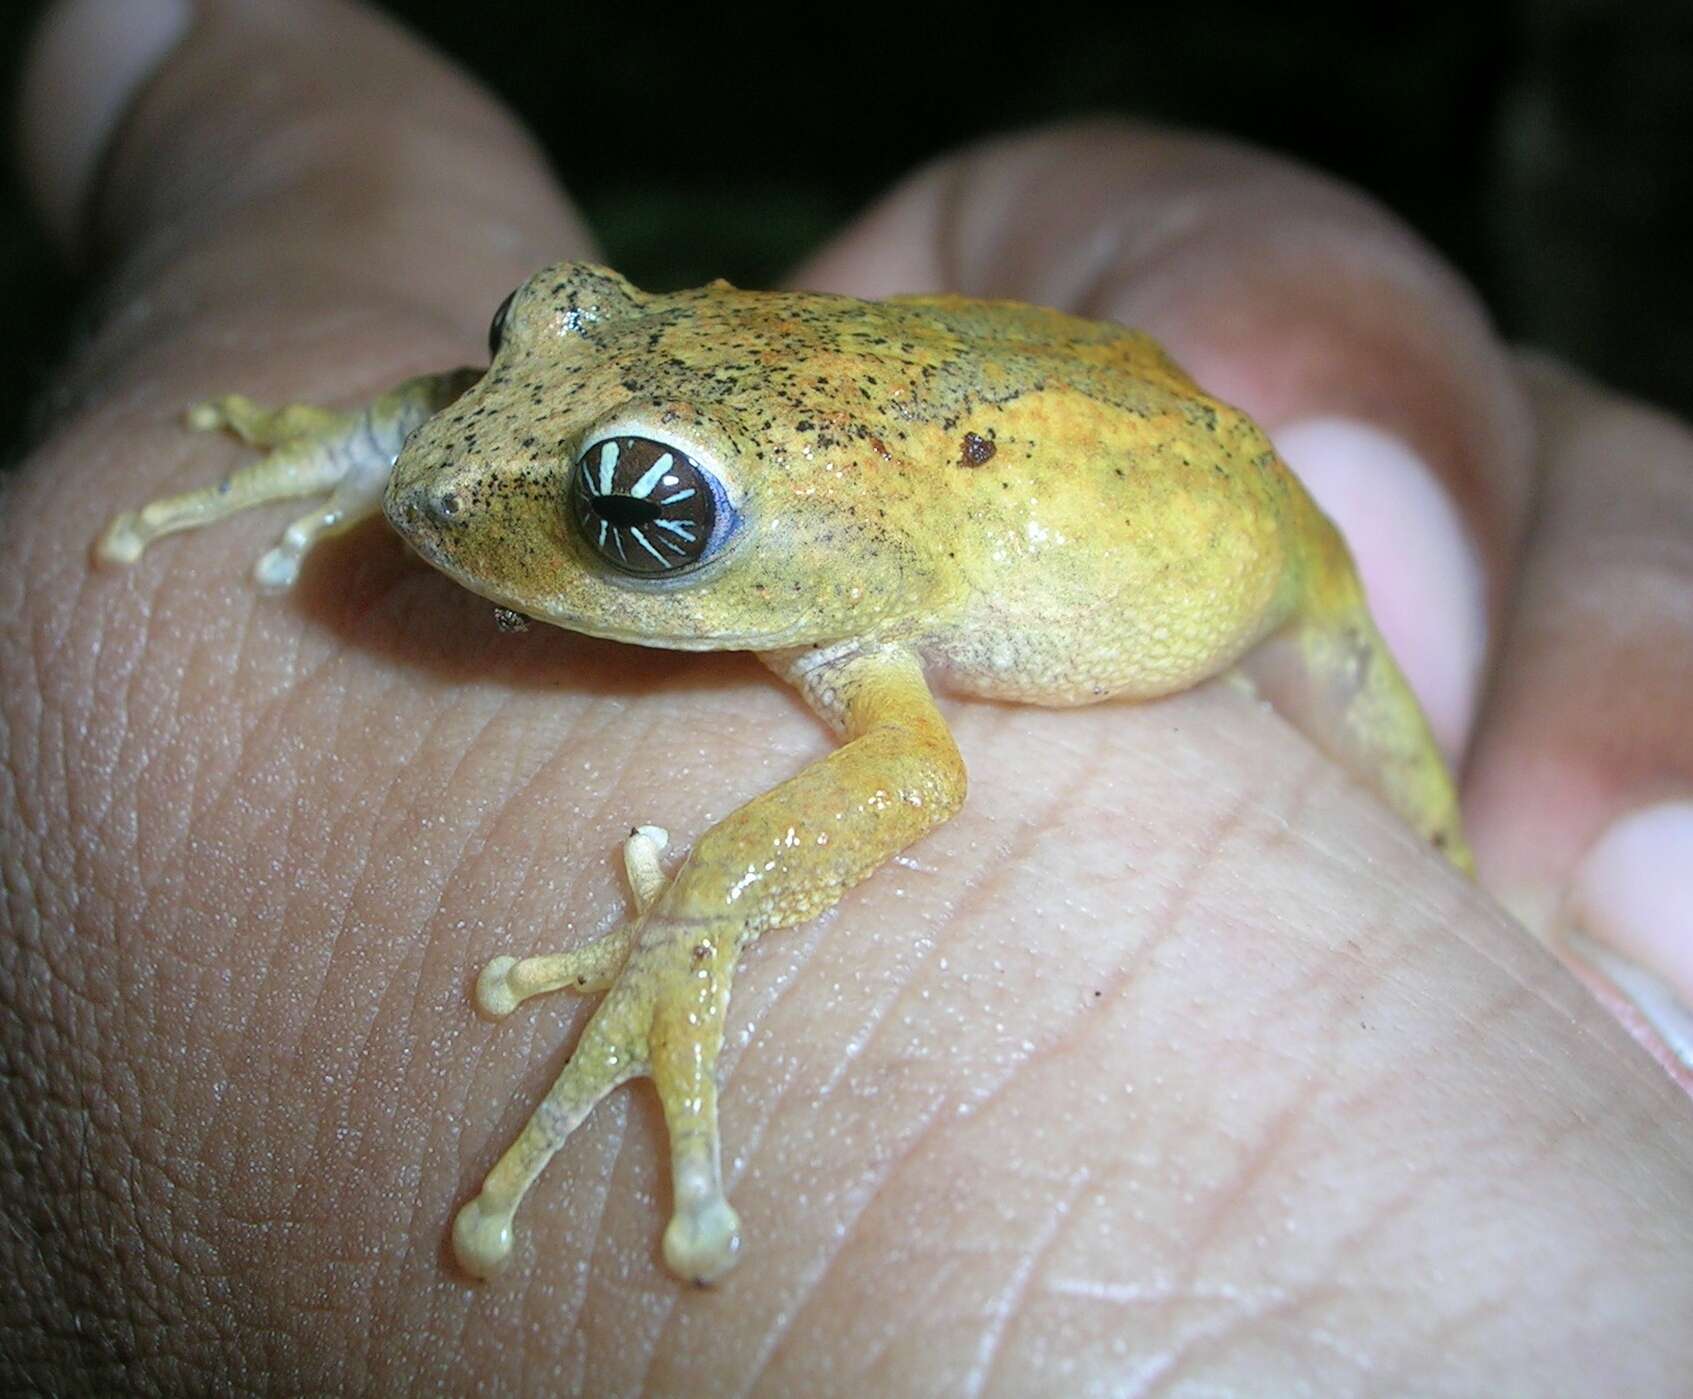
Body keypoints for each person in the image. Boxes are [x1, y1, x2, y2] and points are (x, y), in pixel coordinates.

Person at [5, 0, 1690, 1390]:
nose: (457, 493)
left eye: (639, 517)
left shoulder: (863, 615)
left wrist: (696, 922)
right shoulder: (600, 434)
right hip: (972, 405)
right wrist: (348, 431)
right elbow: (477, 427)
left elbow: (911, 778)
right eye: (532, 334)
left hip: (1258, 546)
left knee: (1430, 819)